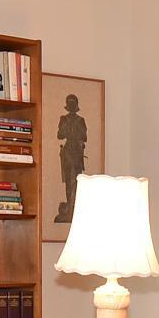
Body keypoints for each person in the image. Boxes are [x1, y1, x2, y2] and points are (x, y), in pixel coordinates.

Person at [57, 94, 87, 223]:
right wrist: (66, 127)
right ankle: (69, 206)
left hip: (77, 152)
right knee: (69, 181)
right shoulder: (63, 119)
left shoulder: (81, 120)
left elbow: (84, 137)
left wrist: (77, 132)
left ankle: (75, 207)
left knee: (77, 180)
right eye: (70, 103)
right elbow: (60, 135)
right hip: (68, 152)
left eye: (73, 103)